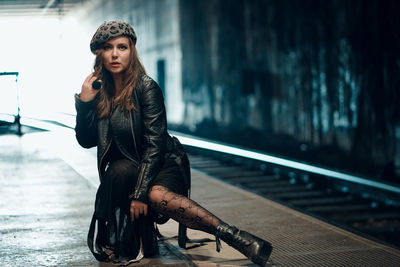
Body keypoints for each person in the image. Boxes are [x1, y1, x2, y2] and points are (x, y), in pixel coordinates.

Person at [75, 20, 273, 266]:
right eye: (108, 47)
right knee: (119, 170)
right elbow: (85, 140)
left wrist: (139, 194)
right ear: (100, 54)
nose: (115, 54)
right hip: (129, 170)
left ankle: (236, 237)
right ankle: (132, 240)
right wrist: (83, 102)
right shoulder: (99, 93)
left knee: (156, 195)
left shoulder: (146, 88)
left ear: (131, 51)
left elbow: (155, 146)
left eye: (122, 47)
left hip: (163, 163)